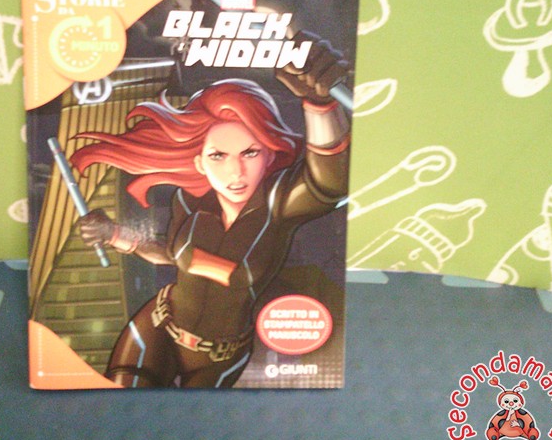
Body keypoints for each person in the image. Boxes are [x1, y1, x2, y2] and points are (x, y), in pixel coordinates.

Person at [71, 34, 351, 388]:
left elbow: (329, 183)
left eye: (250, 153)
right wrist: (114, 234)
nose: (235, 172)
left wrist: (320, 105)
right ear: (199, 162)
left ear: (270, 153)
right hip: (157, 326)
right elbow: (171, 254)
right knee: (123, 399)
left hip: (220, 356)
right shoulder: (189, 200)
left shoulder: (278, 207)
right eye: (218, 156)